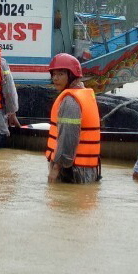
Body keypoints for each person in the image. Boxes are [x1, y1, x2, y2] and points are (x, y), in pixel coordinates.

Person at [45, 53, 101, 184]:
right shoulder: (83, 94)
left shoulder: (70, 100)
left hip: (71, 169)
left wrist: (56, 168)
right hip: (86, 168)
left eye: (60, 74)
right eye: (54, 74)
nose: (55, 78)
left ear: (71, 76)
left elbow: (68, 137)